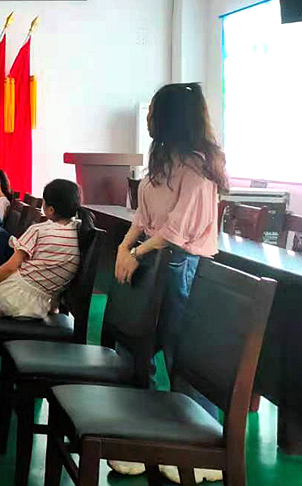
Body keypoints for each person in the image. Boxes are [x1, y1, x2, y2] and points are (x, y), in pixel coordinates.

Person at [108, 83, 228, 484]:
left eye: (153, 112)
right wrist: (124, 248)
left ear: (171, 118)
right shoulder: (162, 161)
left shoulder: (197, 168)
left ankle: (202, 450)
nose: (147, 118)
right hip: (154, 260)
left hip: (182, 266)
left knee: (183, 355)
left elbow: (177, 230)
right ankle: (142, 438)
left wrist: (136, 253)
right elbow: (142, 217)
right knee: (134, 347)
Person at [0, 179, 95, 319]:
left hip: (15, 299)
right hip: (43, 305)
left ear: (50, 210)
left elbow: (10, 267)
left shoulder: (39, 230)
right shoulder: (81, 231)